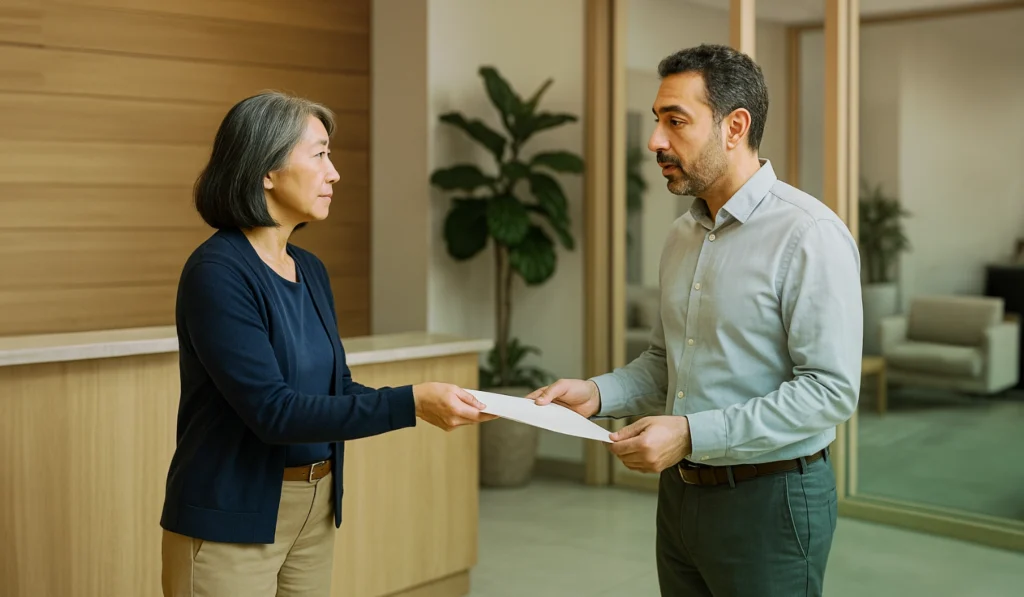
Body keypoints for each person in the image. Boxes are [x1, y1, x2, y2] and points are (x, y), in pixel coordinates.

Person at [530, 44, 862, 596]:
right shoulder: (682, 235)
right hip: (681, 496)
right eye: (658, 120)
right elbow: (667, 363)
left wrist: (689, 434)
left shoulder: (809, 234)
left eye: (675, 121)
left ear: (735, 127)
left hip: (771, 501)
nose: (655, 140)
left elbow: (829, 391)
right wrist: (595, 394)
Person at [159, 91, 494, 597]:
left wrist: (426, 401)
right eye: (319, 154)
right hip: (231, 514)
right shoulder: (218, 272)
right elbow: (273, 412)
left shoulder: (309, 270)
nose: (334, 172)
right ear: (265, 169)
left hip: (315, 507)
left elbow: (335, 387)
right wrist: (410, 402)